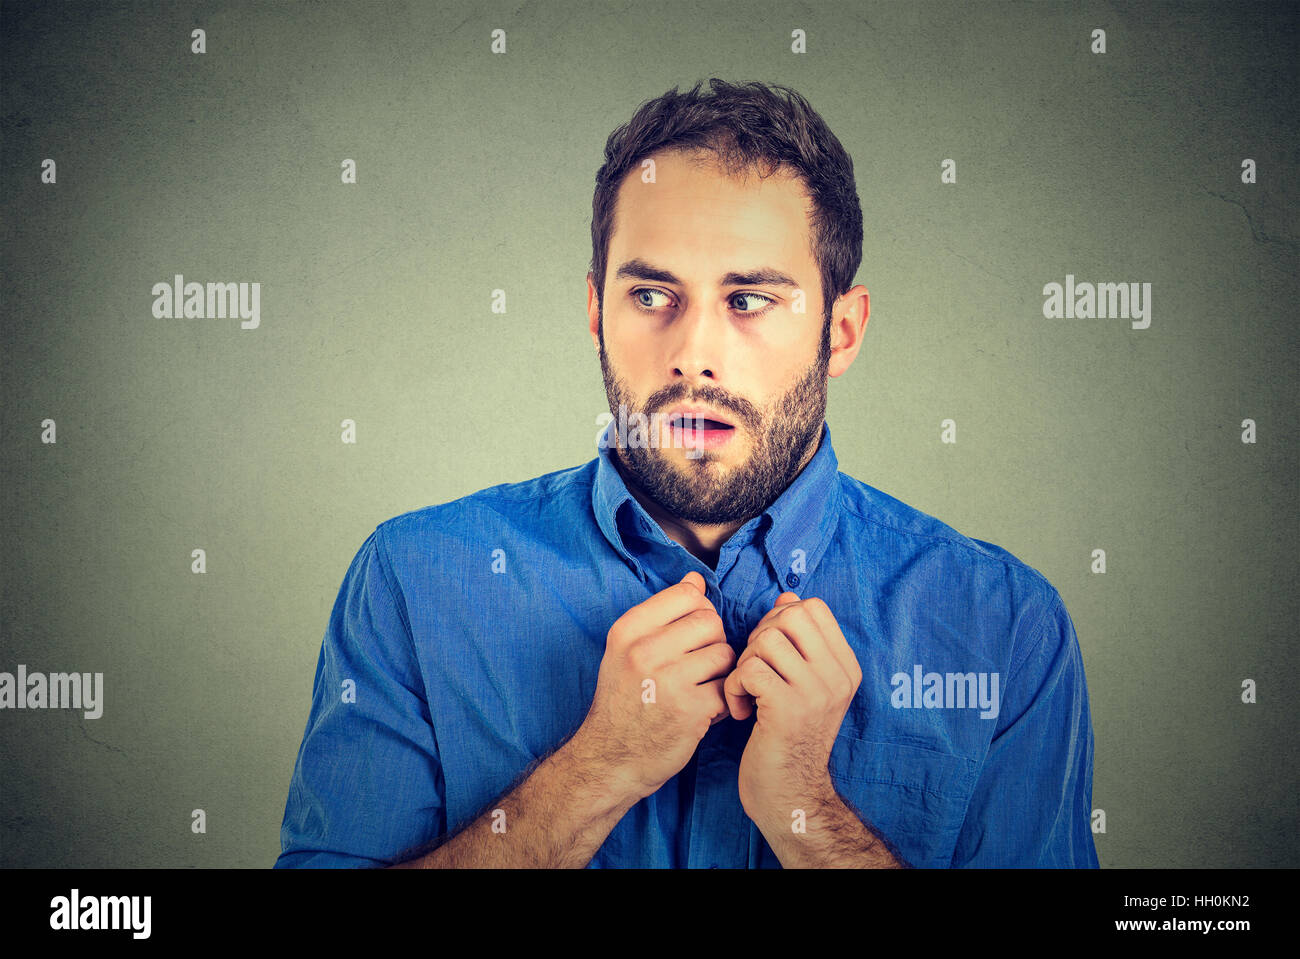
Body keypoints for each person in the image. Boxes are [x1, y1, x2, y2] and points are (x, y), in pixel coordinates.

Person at [275, 78, 1099, 869]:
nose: (694, 355)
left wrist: (808, 816)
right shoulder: (414, 584)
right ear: (596, 312)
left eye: (749, 300)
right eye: (652, 295)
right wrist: (592, 773)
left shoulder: (1005, 629)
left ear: (841, 333)